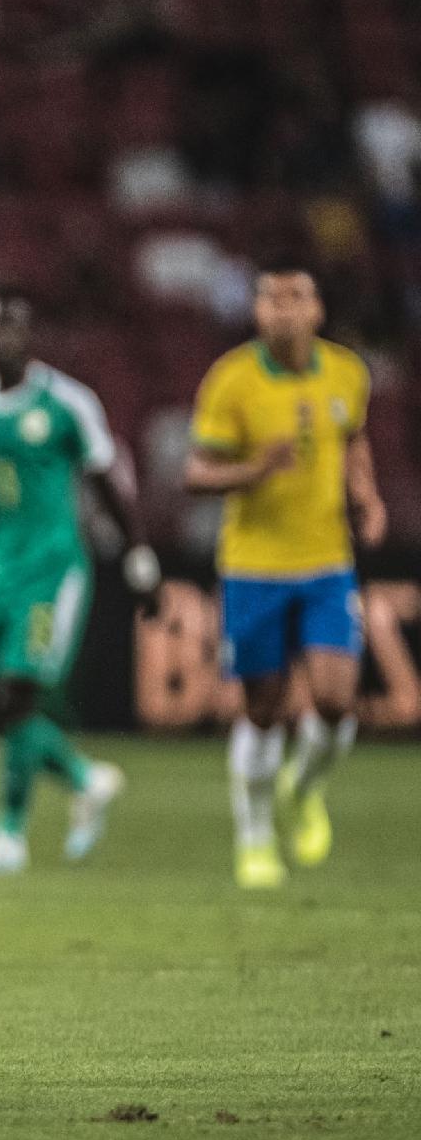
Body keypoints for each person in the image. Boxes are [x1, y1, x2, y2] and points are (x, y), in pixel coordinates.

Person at [0, 287, 159, 876]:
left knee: (19, 692)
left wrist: (139, 557)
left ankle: (8, 835)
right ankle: (82, 777)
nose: (1, 337)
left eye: (12, 325)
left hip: (54, 570)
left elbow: (107, 483)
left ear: (31, 332)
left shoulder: (69, 403)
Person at [184, 261, 386, 890]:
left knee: (333, 700)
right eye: (271, 298)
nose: (284, 309)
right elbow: (196, 473)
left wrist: (367, 495)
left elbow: (353, 439)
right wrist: (252, 470)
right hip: (253, 566)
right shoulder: (233, 380)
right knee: (263, 709)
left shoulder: (348, 373)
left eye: (296, 296)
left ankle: (306, 784)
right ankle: (255, 839)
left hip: (327, 562)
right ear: (256, 310)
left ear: (317, 309)